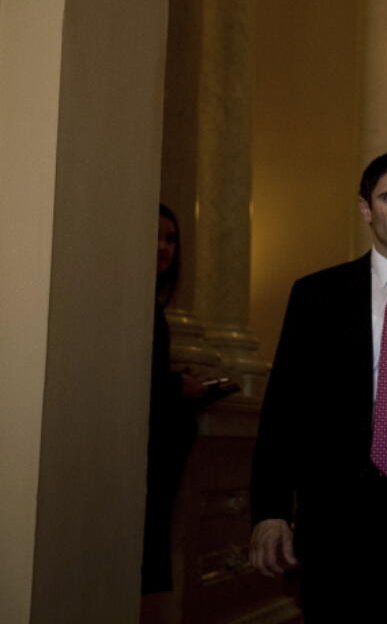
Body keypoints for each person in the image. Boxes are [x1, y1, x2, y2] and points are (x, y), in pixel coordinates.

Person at [249, 152, 387, 621]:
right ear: (366, 209)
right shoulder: (317, 295)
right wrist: (271, 510)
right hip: (334, 521)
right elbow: (283, 411)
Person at [142, 204, 203, 606]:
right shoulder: (135, 306)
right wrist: (173, 385)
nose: (164, 247)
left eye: (171, 239)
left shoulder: (153, 309)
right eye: (157, 236)